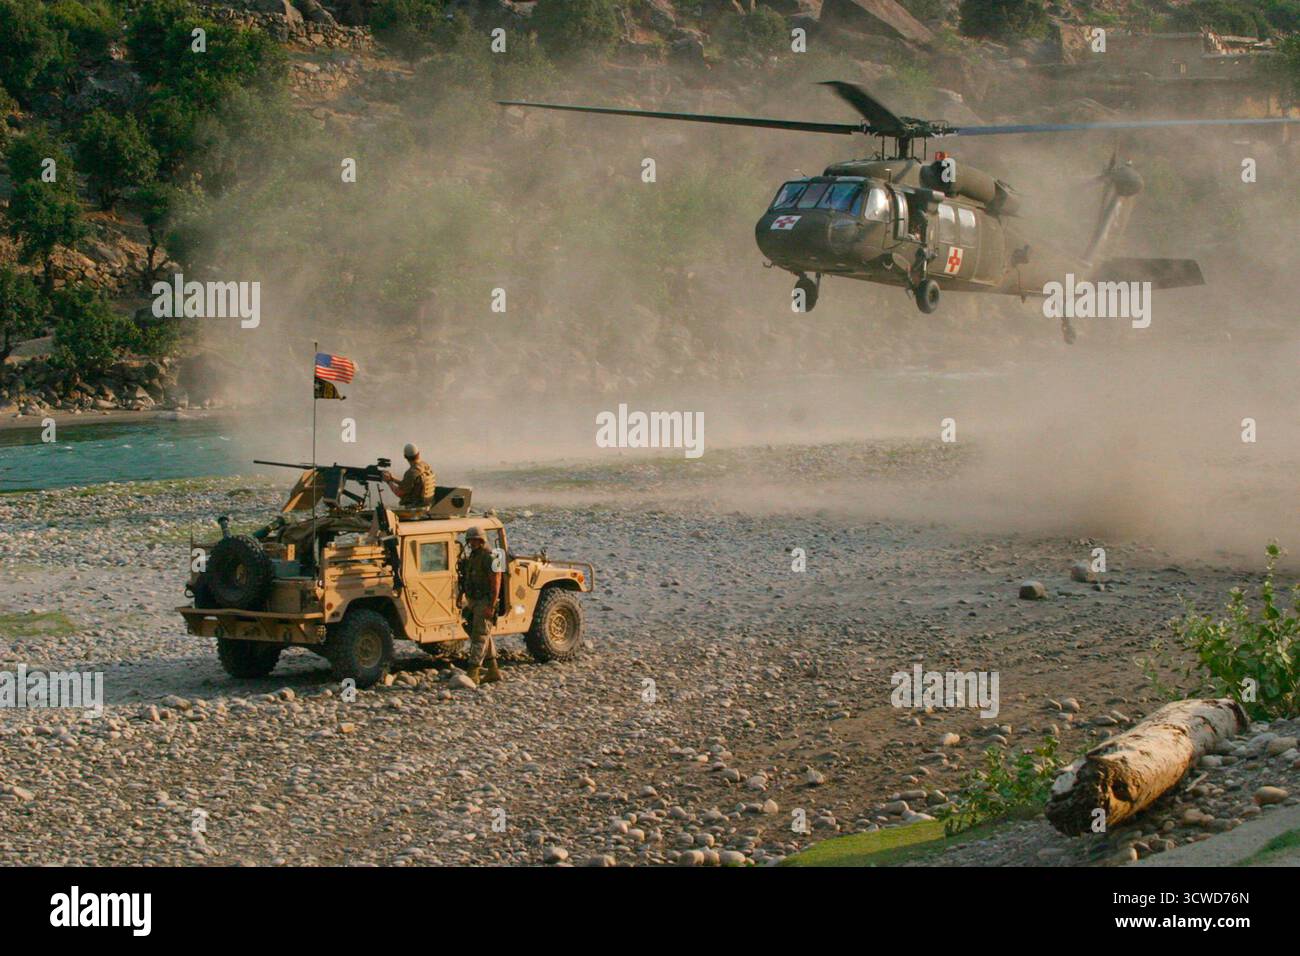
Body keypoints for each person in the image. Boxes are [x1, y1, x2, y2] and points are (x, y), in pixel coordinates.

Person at [460, 526, 502, 685]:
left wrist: (491, 605)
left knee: (479, 637)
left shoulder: (491, 557)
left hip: (485, 600)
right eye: (470, 540)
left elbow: (496, 581)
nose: (471, 543)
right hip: (475, 600)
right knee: (482, 633)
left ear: (481, 540)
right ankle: (493, 670)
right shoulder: (474, 556)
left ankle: (473, 672)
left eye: (474, 539)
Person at [383, 443, 435, 509]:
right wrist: (393, 479)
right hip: (427, 502)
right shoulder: (425, 466)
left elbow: (399, 493)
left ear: (405, 456)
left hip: (414, 505)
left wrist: (388, 482)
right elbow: (410, 484)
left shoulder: (411, 473)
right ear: (418, 454)